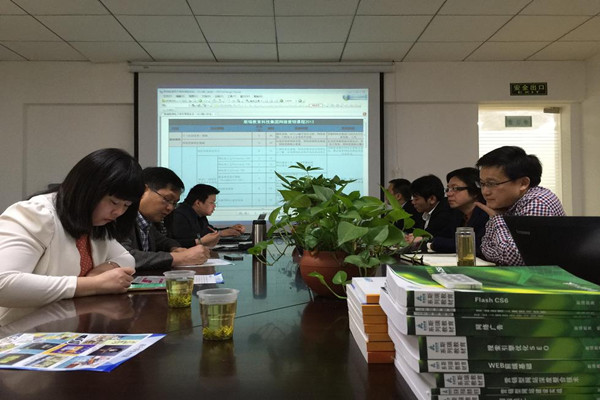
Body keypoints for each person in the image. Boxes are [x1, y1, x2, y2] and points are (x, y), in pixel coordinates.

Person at [0, 148, 144, 310]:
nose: (118, 212)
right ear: (87, 189)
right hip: (23, 323)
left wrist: (105, 268)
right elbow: (4, 283)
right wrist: (93, 284)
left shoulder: (94, 223)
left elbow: (126, 257)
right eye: (114, 202)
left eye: (126, 205)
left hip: (67, 320)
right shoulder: (36, 214)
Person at [475, 146, 565, 265]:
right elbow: (485, 247)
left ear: (523, 183)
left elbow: (516, 258)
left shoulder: (538, 202)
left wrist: (497, 218)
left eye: (492, 183)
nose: (485, 192)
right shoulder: (507, 203)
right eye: (482, 184)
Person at [119, 167, 210, 271]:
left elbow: (163, 241)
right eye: (167, 199)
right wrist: (179, 258)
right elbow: (123, 256)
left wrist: (176, 249)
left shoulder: (146, 222)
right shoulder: (121, 216)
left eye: (174, 203)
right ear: (143, 190)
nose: (170, 208)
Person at [427, 167, 489, 255]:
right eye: (448, 189)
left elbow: (473, 245)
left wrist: (432, 244)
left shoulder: (486, 214)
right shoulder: (456, 214)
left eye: (455, 188)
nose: (449, 194)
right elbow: (445, 238)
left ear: (475, 191)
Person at [166, 184, 245, 248]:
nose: (214, 206)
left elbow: (209, 230)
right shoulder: (179, 215)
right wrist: (201, 241)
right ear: (198, 203)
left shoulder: (199, 214)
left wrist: (229, 229)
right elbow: (178, 243)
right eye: (211, 202)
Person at [407, 174, 459, 240]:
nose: (413, 202)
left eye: (416, 199)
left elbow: (431, 237)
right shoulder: (423, 212)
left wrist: (419, 238)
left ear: (432, 199)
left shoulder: (445, 214)